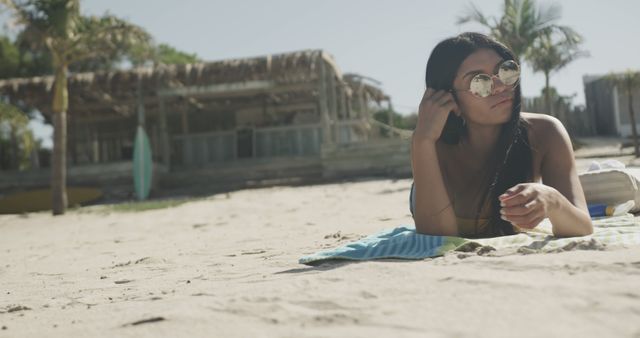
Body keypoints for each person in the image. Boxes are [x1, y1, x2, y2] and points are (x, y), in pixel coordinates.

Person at [409, 32, 593, 238]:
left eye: (506, 71)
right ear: (448, 97)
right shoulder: (434, 144)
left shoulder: (544, 132)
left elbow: (582, 227)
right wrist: (422, 140)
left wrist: (553, 200)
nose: (500, 87)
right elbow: (438, 238)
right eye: (479, 82)